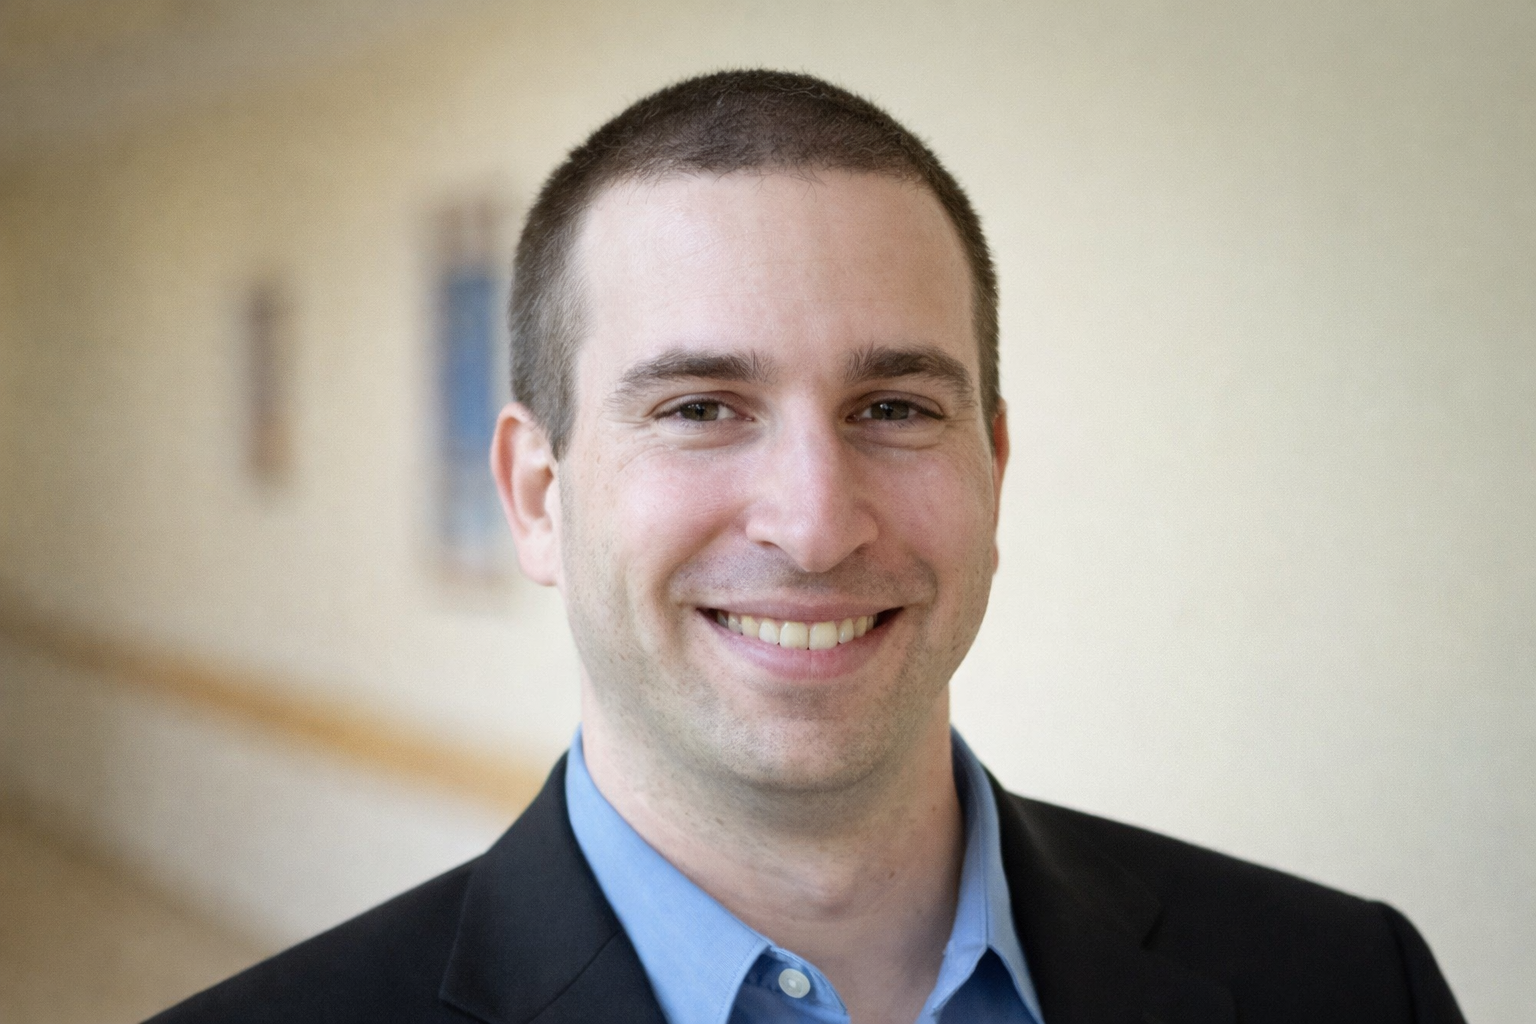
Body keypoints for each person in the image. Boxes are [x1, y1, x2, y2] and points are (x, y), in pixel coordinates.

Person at [149, 69, 1465, 1024]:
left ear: (992, 470)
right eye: (700, 410)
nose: (817, 520)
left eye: (893, 409)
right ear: (538, 495)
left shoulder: (1350, 987)